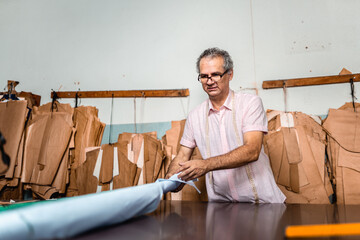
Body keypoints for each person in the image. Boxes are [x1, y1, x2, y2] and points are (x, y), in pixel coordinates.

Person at [165, 47, 285, 203]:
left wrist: (206, 165)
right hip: (222, 206)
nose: (209, 81)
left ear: (230, 74)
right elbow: (182, 155)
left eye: (215, 74)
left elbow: (252, 150)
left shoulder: (250, 103)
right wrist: (171, 179)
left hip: (261, 202)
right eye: (204, 76)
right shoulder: (195, 116)